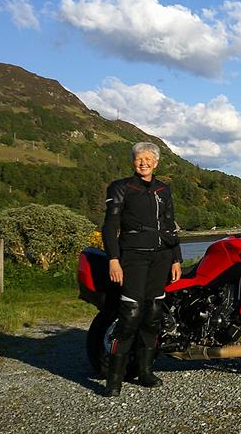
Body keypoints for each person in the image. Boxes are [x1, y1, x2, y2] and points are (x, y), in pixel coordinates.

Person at [102, 142, 182, 397]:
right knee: (130, 316)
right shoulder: (121, 187)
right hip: (133, 258)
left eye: (148, 158)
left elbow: (170, 225)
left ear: (156, 163)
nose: (143, 162)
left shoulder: (163, 189)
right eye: (139, 158)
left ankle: (145, 372)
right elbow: (110, 225)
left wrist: (176, 259)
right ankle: (113, 381)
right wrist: (113, 259)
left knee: (153, 316)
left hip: (162, 258)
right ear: (133, 161)